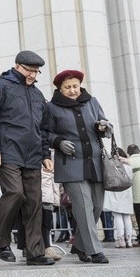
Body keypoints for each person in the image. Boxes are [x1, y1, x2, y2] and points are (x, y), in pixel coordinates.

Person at [0, 50, 54, 266]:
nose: (33, 75)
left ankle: (34, 252)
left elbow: (44, 129)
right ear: (17, 66)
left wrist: (45, 154)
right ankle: (1, 242)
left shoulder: (37, 95)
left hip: (33, 156)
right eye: (29, 70)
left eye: (36, 71)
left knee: (35, 203)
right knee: (15, 193)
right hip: (7, 152)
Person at [46, 69, 113, 264]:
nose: (72, 90)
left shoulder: (92, 102)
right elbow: (45, 133)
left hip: (95, 163)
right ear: (60, 88)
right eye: (67, 87)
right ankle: (95, 251)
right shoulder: (51, 107)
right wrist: (58, 142)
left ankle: (79, 245)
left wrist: (103, 126)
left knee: (97, 206)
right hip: (71, 165)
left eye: (75, 86)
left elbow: (104, 122)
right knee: (84, 207)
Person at [103, 147, 134, 248]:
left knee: (117, 216)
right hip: (127, 192)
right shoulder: (129, 166)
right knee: (127, 217)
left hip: (116, 191)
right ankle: (129, 240)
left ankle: (121, 240)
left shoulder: (113, 166)